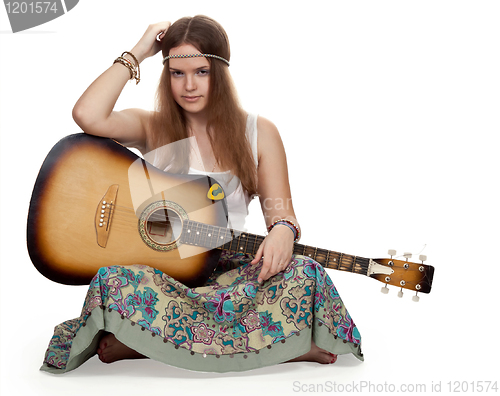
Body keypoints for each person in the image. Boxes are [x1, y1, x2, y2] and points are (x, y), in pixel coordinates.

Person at [41, 15, 363, 374]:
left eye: (202, 72)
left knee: (306, 273)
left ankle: (143, 342)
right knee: (112, 281)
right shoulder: (151, 126)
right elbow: (87, 114)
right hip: (163, 274)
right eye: (177, 73)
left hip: (232, 274)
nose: (189, 85)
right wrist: (139, 51)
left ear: (220, 73)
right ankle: (280, 346)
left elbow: (279, 211)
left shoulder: (259, 132)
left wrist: (283, 231)